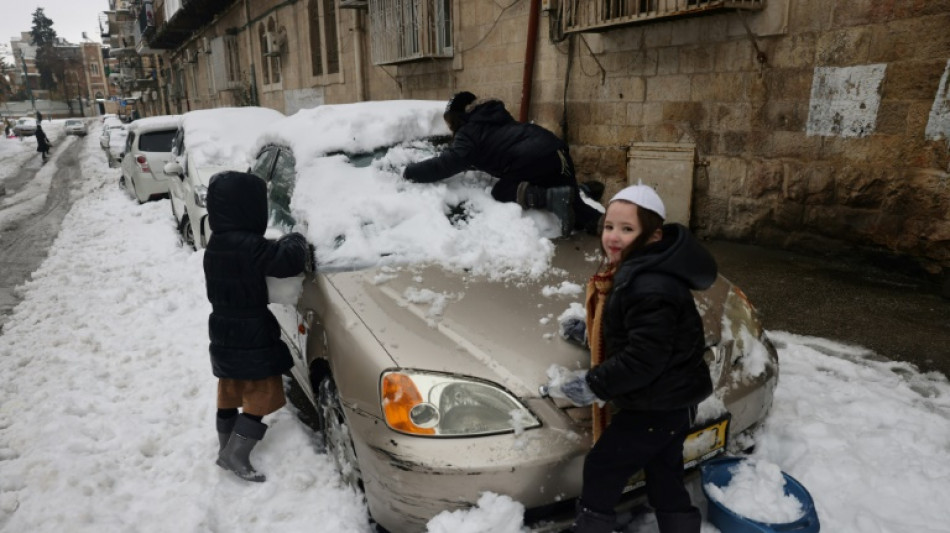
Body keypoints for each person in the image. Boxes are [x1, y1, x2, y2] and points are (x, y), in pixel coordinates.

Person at [551, 184, 717, 533]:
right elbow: (642, 332)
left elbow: (645, 358)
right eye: (609, 226)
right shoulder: (644, 269)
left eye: (627, 229)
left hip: (656, 404)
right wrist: (594, 333)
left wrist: (594, 384)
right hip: (673, 401)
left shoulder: (650, 284)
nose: (613, 237)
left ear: (653, 236)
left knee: (603, 466)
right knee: (664, 471)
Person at [203, 171, 314, 482]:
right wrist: (296, 238)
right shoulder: (249, 245)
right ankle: (236, 454)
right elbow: (286, 261)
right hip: (251, 329)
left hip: (222, 326)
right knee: (262, 390)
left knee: (230, 387)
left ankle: (226, 444)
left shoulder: (217, 243)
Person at [402, 91, 603, 237]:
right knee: (576, 206)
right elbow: (493, 146)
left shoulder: (469, 131)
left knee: (503, 191)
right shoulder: (493, 119)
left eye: (450, 121)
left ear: (459, 116)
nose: (450, 127)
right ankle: (608, 224)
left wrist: (410, 171)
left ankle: (551, 198)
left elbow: (447, 164)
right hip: (556, 150)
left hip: (533, 156)